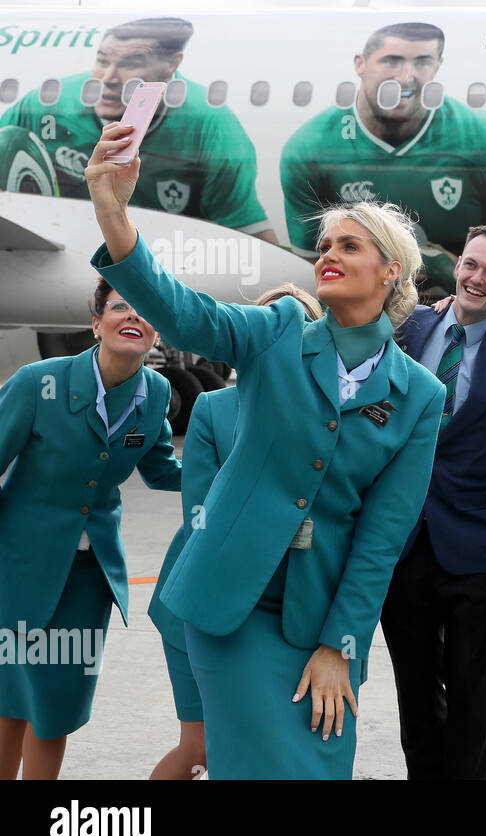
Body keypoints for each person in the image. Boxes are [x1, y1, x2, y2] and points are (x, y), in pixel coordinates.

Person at [84, 122, 445, 779]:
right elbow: (185, 312)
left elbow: (382, 536)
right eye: (325, 243)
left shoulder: (419, 394)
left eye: (350, 244)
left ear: (391, 271)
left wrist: (341, 645)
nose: (327, 252)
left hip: (321, 618)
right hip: (232, 608)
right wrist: (113, 210)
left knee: (318, 769)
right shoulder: (278, 330)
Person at [0, 278, 182, 779]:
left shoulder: (156, 391)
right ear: (95, 323)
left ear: (158, 332)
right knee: (9, 696)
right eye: (120, 307)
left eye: (146, 311)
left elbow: (164, 470)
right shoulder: (40, 382)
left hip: (87, 578)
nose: (133, 317)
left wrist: (238, 475)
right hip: (17, 567)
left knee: (57, 702)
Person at [148, 284, 322, 781]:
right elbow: (201, 517)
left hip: (283, 610)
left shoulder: (327, 415)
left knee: (267, 748)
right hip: (204, 601)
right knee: (201, 746)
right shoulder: (213, 409)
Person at [381, 227, 486, 779]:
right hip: (400, 538)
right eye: (471, 265)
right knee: (415, 686)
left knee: (472, 687)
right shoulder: (403, 329)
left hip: (474, 540)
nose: (476, 278)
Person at [281, 21, 486, 294]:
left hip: (468, 319)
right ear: (361, 64)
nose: (406, 77)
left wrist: (474, 268)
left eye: (422, 62)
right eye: (391, 60)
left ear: (437, 66)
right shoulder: (310, 149)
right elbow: (309, 265)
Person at [0, 16, 275, 241]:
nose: (107, 78)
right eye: (102, 60)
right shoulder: (45, 103)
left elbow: (254, 242)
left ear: (172, 65)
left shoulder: (212, 125)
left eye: (130, 63)